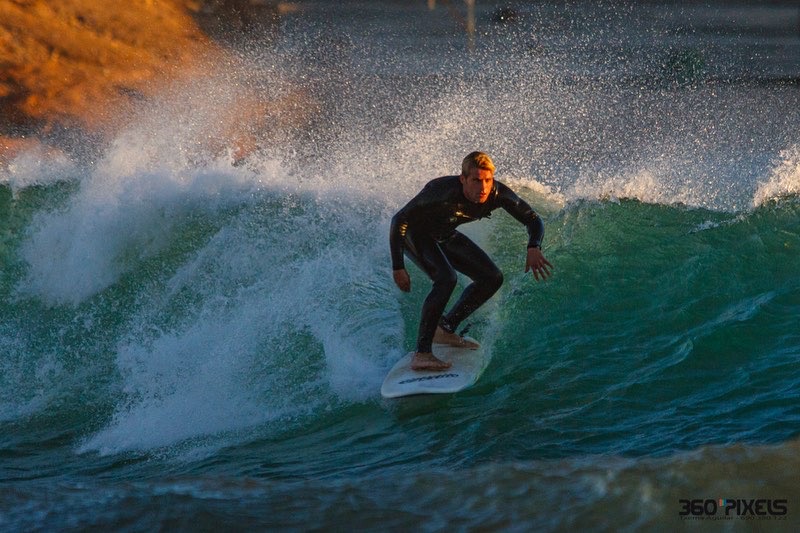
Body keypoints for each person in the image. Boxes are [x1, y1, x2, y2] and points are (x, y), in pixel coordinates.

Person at [390, 151, 553, 371]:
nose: (483, 187)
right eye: (476, 180)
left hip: (444, 233)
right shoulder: (442, 192)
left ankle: (445, 328)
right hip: (415, 234)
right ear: (463, 179)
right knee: (446, 278)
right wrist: (398, 267)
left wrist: (534, 245)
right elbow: (399, 219)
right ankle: (422, 353)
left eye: (488, 180)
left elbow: (532, 219)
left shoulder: (498, 194)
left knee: (492, 277)